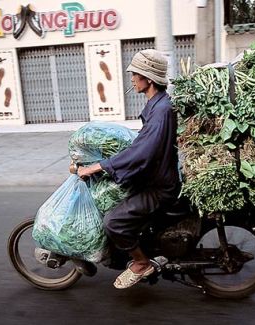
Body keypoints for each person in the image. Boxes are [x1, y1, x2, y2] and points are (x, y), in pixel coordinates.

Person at [77, 49, 181, 289]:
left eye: (135, 74)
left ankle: (141, 262)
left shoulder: (162, 110)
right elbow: (143, 145)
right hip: (155, 177)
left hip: (159, 186)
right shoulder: (158, 106)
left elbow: (143, 152)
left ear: (149, 79)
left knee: (113, 221)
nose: (132, 79)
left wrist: (99, 166)